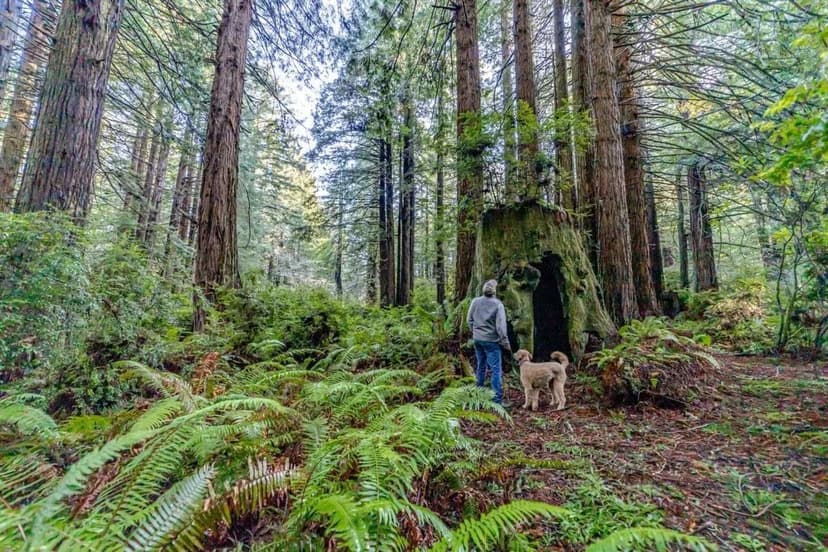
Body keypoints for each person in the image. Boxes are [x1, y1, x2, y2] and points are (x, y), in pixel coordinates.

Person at [466, 279, 511, 405]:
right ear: (494, 291)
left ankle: (478, 396)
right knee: (496, 370)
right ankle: (497, 400)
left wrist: (475, 332)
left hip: (477, 340)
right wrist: (505, 342)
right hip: (492, 342)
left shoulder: (475, 301)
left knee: (481, 366)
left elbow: (469, 320)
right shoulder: (498, 304)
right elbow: (501, 327)